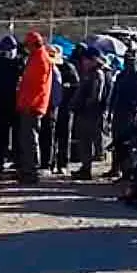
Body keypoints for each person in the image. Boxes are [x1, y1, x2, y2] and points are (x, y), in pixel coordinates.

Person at [15, 31, 53, 184]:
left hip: (32, 106)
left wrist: (27, 104)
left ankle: (30, 171)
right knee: (27, 138)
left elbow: (36, 86)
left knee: (29, 139)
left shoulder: (40, 59)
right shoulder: (37, 57)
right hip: (31, 104)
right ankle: (28, 169)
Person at [106, 49, 137, 178]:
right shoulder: (121, 75)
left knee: (127, 142)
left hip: (129, 113)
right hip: (118, 111)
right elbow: (114, 94)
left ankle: (126, 171)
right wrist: (110, 111)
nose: (128, 63)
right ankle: (115, 167)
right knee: (116, 140)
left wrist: (136, 113)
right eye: (126, 60)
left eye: (131, 60)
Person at [71, 46, 107, 180]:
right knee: (83, 142)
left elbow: (95, 96)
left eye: (86, 59)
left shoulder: (97, 74)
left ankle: (87, 168)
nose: (83, 62)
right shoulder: (89, 73)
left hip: (90, 114)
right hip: (85, 113)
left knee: (86, 141)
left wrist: (83, 106)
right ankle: (85, 167)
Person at [0, 35, 21, 175]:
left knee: (17, 136)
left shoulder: (19, 64)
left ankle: (16, 162)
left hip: (15, 104)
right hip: (0, 104)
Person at [38, 44, 65, 172]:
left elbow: (56, 93)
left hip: (50, 107)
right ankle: (47, 162)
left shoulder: (53, 72)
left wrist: (52, 106)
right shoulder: (52, 70)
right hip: (48, 106)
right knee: (47, 135)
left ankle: (47, 163)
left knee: (48, 136)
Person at [54, 45, 80, 174]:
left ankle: (62, 163)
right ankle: (51, 162)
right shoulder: (51, 66)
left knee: (64, 137)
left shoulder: (69, 68)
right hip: (53, 107)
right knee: (52, 136)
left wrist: (68, 88)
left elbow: (77, 86)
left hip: (65, 107)